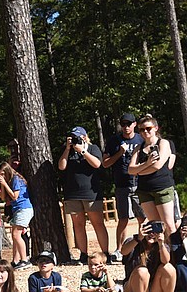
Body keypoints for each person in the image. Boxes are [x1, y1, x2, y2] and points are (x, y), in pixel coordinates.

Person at [58, 126, 111, 265]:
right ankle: (83, 254)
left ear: (85, 137)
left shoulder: (93, 149)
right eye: (73, 137)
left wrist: (82, 151)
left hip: (91, 193)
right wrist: (68, 149)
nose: (76, 139)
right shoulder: (68, 151)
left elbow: (97, 164)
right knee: (78, 225)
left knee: (98, 223)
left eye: (78, 137)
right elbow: (61, 167)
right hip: (72, 193)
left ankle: (105, 253)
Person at [103, 113, 146, 263]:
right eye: (123, 124)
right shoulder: (114, 141)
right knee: (123, 219)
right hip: (121, 185)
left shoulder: (141, 139)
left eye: (129, 124)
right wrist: (119, 153)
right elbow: (105, 163)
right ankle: (120, 250)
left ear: (135, 124)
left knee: (143, 218)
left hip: (140, 185)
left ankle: (144, 246)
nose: (126, 127)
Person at [128, 115, 178, 235]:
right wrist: (148, 163)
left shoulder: (163, 143)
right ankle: (161, 252)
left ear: (156, 128)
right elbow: (130, 170)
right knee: (156, 227)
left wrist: (139, 170)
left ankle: (178, 253)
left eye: (148, 128)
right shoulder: (138, 148)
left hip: (162, 188)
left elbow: (158, 166)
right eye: (141, 129)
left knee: (170, 226)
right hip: (144, 191)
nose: (145, 132)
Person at [120, 221, 181, 292]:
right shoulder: (133, 241)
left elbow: (165, 261)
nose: (152, 234)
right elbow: (123, 251)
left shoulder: (162, 245)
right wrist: (138, 238)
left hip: (153, 289)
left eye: (156, 231)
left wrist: (161, 244)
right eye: (149, 231)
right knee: (142, 271)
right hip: (132, 288)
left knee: (168, 267)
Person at [0, 162, 33, 270]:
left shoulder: (16, 179)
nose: (2, 177)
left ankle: (25, 259)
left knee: (17, 235)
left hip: (24, 209)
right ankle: (15, 260)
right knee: (14, 235)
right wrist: (3, 185)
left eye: (3, 174)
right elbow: (3, 198)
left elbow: (14, 196)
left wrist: (5, 184)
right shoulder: (8, 181)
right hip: (17, 210)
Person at [170, 213, 187, 292]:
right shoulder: (174, 237)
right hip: (182, 273)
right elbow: (177, 258)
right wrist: (184, 241)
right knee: (180, 266)